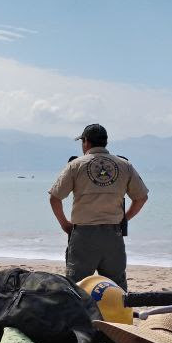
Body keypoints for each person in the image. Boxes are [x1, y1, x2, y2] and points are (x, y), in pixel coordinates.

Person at [49, 123, 148, 290]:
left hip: (83, 235)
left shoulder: (76, 165)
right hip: (113, 235)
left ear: (86, 142)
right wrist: (124, 218)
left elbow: (55, 197)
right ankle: (118, 316)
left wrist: (65, 224)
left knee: (77, 288)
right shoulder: (124, 165)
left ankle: (81, 316)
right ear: (105, 142)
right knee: (116, 288)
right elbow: (141, 198)